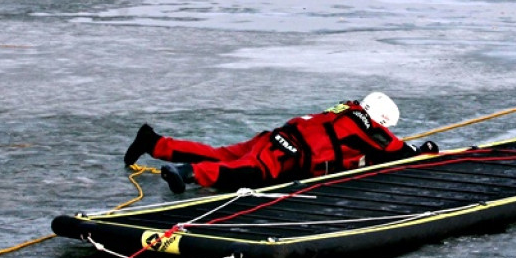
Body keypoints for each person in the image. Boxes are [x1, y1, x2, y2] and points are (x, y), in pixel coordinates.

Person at [123, 92, 438, 194]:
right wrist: (425, 150)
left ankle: (155, 143)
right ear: (380, 118)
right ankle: (187, 172)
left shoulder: (346, 109)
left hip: (276, 137)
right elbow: (398, 152)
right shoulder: (368, 125)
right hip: (289, 154)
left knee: (223, 155)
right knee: (246, 173)